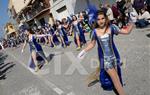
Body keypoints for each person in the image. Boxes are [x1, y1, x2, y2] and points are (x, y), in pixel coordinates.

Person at [77, 10, 134, 95]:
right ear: (96, 20)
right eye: (98, 19)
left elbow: (126, 32)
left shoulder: (112, 27)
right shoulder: (94, 32)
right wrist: (83, 51)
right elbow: (92, 44)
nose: (101, 21)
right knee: (115, 79)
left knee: (117, 77)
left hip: (115, 57)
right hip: (106, 60)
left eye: (103, 18)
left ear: (106, 18)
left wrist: (132, 22)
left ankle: (118, 89)